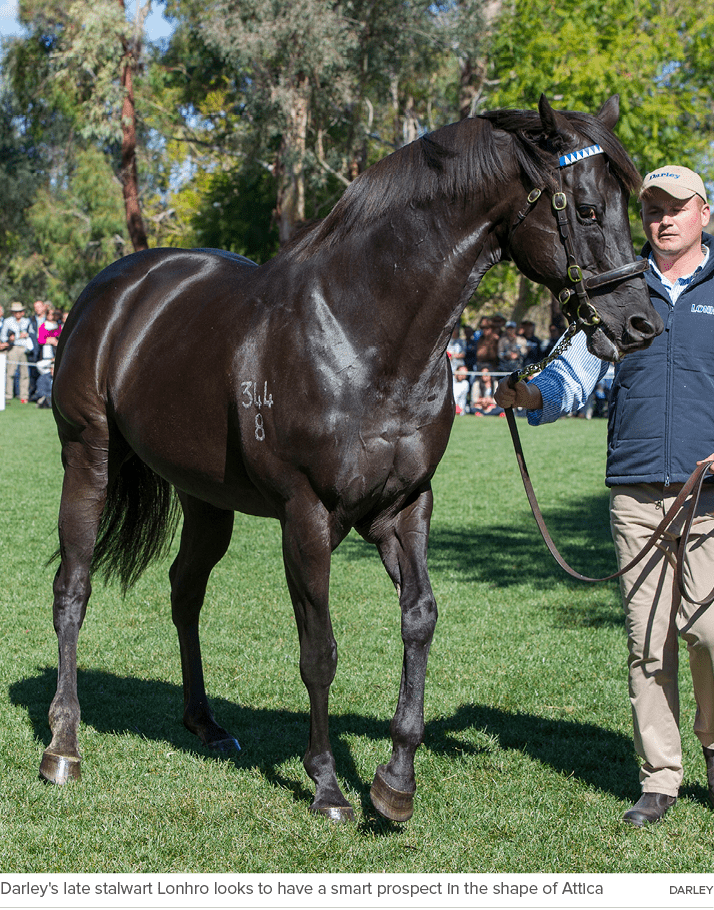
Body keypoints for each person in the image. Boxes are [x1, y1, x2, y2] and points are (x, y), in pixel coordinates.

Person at [495, 164, 714, 827]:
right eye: (652, 209)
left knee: (708, 634)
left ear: (704, 212)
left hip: (710, 496)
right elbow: (578, 372)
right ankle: (660, 779)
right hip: (636, 492)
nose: (663, 220)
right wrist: (533, 395)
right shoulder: (621, 287)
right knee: (648, 644)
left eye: (676, 208)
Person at [0, 302, 33, 402]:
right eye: (15, 312)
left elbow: (32, 334)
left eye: (19, 311)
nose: (17, 313)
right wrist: (13, 337)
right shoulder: (7, 321)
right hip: (13, 348)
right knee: (10, 372)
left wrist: (27, 335)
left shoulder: (27, 321)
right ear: (12, 312)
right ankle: (8, 395)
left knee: (24, 373)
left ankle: (24, 395)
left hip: (24, 348)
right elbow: (3, 336)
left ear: (22, 312)